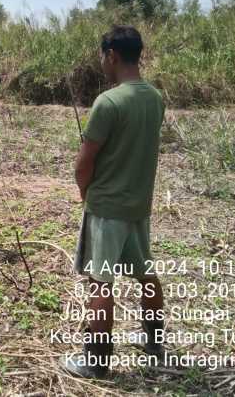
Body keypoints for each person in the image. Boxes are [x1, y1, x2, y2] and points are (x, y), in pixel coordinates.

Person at [64, 26, 166, 378]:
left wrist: (84, 192)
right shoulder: (154, 98)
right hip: (139, 207)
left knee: (101, 282)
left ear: (112, 55)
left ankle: (96, 362)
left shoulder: (108, 102)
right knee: (146, 274)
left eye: (101, 55)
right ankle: (154, 342)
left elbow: (84, 163)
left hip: (107, 210)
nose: (100, 62)